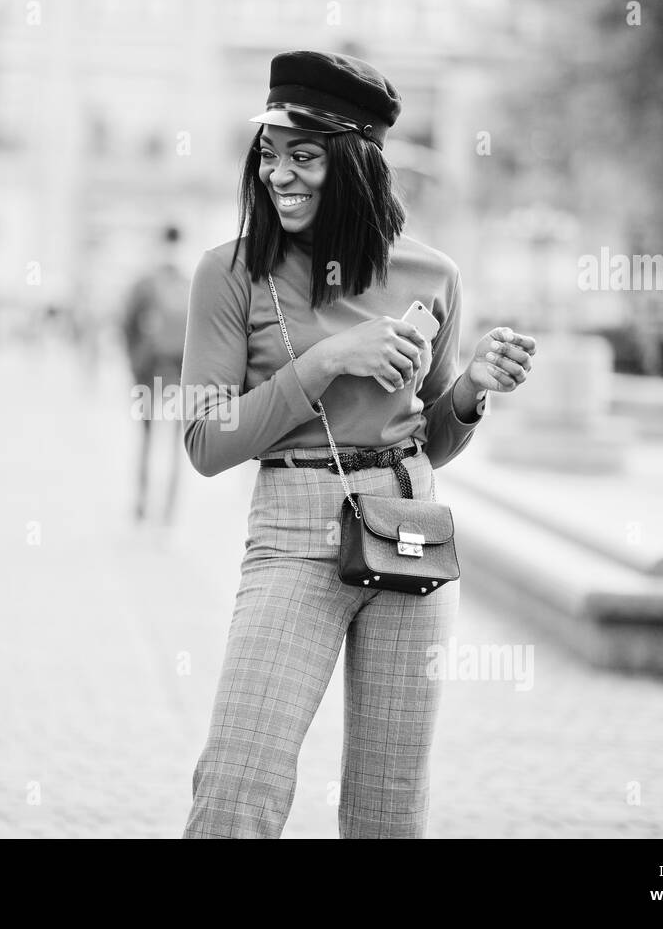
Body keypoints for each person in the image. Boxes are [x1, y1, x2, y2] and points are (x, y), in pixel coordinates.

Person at [180, 51, 537, 839]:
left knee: (388, 809)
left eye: (303, 155)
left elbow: (431, 440)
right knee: (238, 783)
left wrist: (473, 388)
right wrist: (326, 360)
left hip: (410, 530)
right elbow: (205, 441)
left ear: (356, 163)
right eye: (270, 155)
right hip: (292, 538)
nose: (279, 175)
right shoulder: (230, 274)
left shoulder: (433, 275)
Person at [121, 225, 190, 524]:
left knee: (147, 439)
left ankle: (143, 502)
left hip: (149, 372)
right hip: (178, 372)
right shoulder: (187, 283)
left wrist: (135, 365)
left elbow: (126, 326)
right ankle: (166, 509)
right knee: (175, 442)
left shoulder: (144, 284)